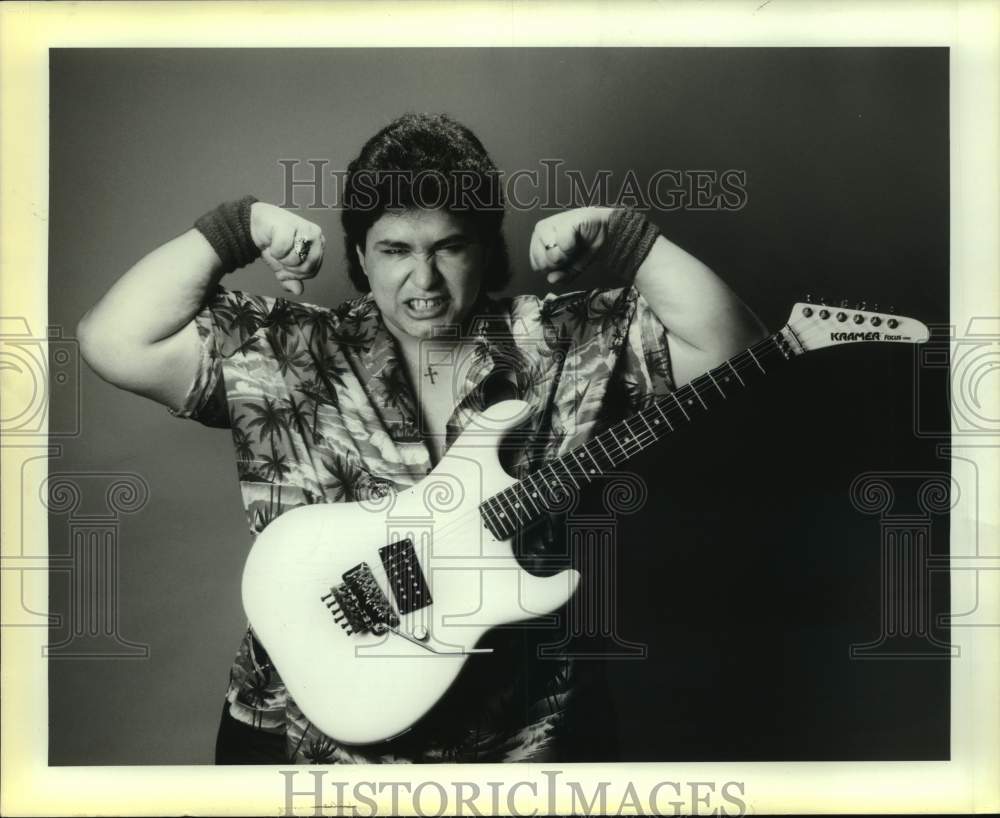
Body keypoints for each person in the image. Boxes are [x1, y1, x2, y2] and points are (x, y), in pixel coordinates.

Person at [77, 112, 766, 764]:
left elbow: (735, 347)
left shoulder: (562, 341)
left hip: (518, 743)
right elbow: (113, 340)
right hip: (305, 735)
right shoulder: (288, 350)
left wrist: (624, 236)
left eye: (450, 248)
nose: (424, 281)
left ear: (488, 249)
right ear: (360, 255)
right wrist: (237, 228)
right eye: (396, 250)